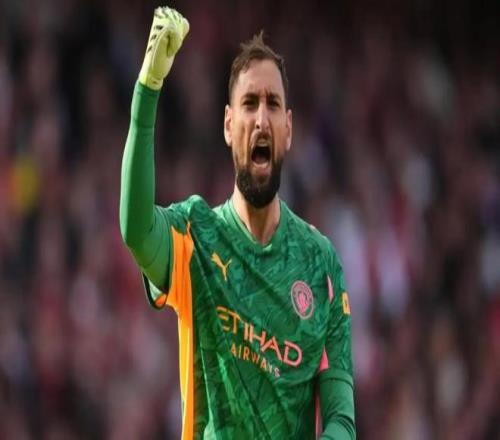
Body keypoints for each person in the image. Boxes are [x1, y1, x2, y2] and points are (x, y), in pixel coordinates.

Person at [120, 6, 355, 439]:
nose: (261, 118)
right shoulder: (195, 234)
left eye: (273, 104)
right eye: (249, 103)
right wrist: (147, 91)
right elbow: (136, 230)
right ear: (229, 126)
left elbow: (342, 419)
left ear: (288, 129)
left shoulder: (320, 264)